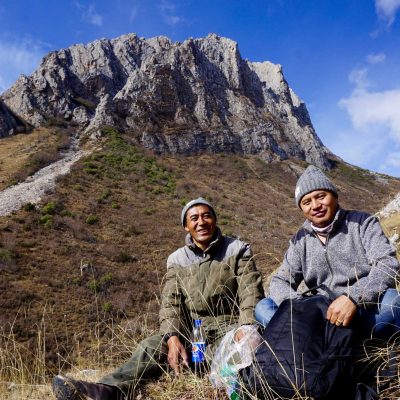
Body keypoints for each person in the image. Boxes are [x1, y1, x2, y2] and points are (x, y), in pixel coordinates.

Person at [52, 197, 264, 400]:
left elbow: (250, 291)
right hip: (194, 332)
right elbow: (171, 302)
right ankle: (106, 391)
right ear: (186, 227)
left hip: (227, 328)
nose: (201, 222)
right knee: (151, 346)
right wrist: (172, 336)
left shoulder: (237, 249)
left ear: (215, 220)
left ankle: (216, 381)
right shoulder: (177, 259)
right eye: (194, 218)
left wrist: (245, 327)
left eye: (206, 216)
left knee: (239, 347)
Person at [255, 165, 400, 339]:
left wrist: (353, 297)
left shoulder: (362, 222)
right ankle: (326, 338)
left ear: (334, 196)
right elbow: (280, 281)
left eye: (321, 196)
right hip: (319, 316)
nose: (315, 206)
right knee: (263, 307)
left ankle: (329, 341)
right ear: (302, 209)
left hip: (361, 310)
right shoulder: (299, 241)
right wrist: (303, 308)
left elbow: (387, 263)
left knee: (392, 303)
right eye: (307, 202)